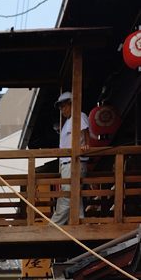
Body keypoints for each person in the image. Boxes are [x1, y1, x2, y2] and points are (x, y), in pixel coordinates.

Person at [50, 90, 90, 225]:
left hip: (74, 162)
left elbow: (86, 134)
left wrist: (86, 145)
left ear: (72, 104)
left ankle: (54, 226)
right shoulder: (69, 121)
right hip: (68, 163)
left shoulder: (79, 115)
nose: (62, 109)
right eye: (60, 107)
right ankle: (80, 223)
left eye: (64, 106)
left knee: (67, 196)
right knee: (74, 196)